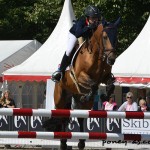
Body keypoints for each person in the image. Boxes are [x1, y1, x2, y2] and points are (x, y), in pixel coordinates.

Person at [52, 5, 102, 82]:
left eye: (97, 18)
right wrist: (88, 27)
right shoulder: (81, 22)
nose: (96, 20)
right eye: (93, 18)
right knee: (69, 50)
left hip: (85, 37)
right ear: (88, 17)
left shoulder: (96, 24)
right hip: (74, 35)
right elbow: (78, 34)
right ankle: (60, 70)